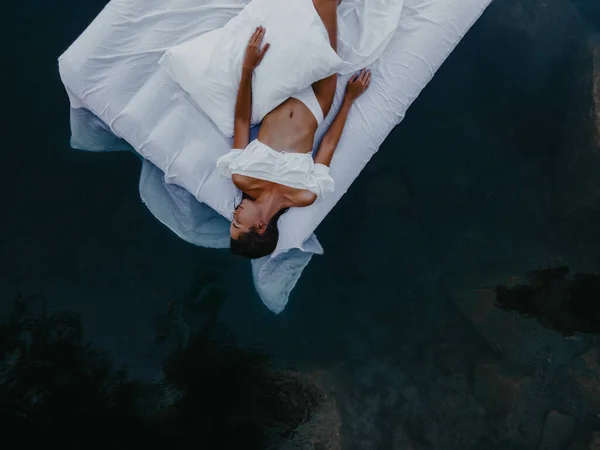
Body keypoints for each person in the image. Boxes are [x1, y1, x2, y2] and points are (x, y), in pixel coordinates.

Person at [217, 0, 371, 259]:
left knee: (318, 7)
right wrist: (348, 101)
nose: (234, 214)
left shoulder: (240, 175)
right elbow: (328, 146)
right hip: (317, 101)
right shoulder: (305, 194)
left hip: (280, 89)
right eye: (237, 223)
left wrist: (247, 69)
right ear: (261, 227)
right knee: (327, 7)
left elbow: (242, 121)